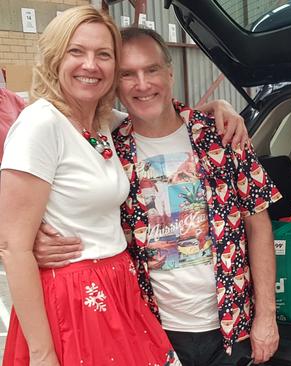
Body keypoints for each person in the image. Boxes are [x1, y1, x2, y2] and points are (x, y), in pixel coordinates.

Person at [35, 27, 281, 366]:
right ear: (114, 84)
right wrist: (36, 239)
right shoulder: (106, 150)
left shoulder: (222, 136)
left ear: (169, 72)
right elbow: (68, 206)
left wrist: (266, 317)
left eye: (151, 70)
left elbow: (259, 225)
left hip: (230, 324)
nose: (142, 84)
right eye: (128, 74)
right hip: (148, 327)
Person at [0, 6, 183, 365]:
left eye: (103, 54)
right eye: (76, 51)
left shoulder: (100, 121)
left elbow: (156, 112)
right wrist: (42, 353)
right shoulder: (40, 124)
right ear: (55, 58)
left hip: (119, 285)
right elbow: (13, 247)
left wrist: (217, 108)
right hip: (71, 298)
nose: (91, 64)